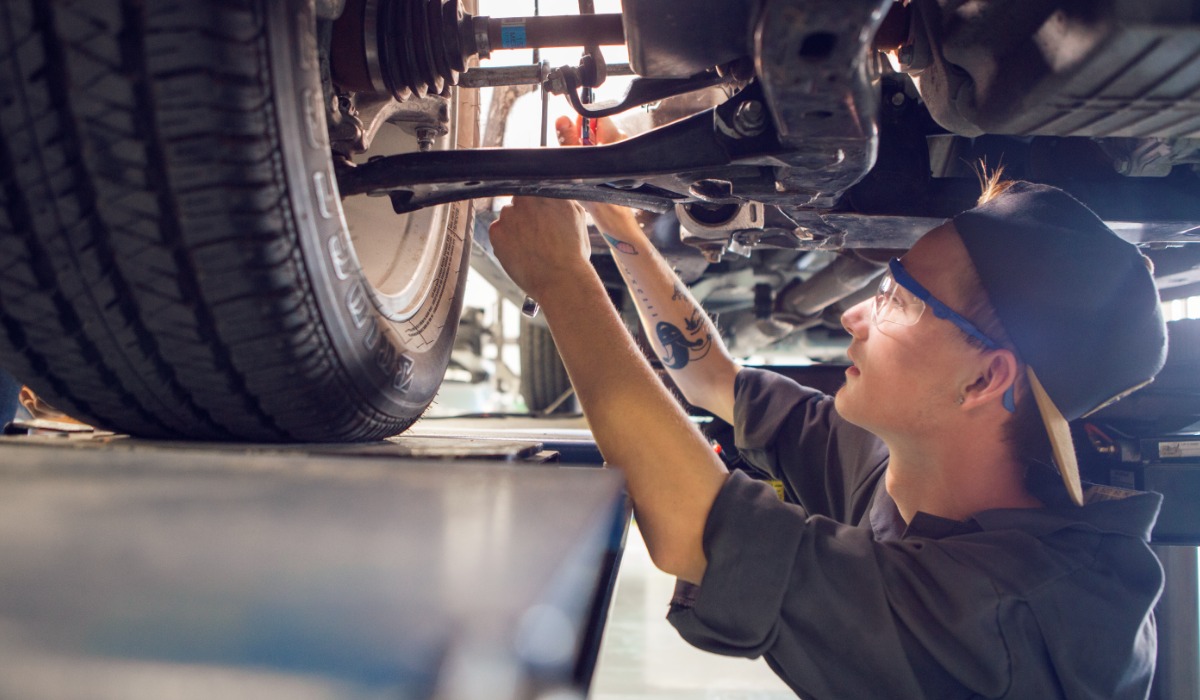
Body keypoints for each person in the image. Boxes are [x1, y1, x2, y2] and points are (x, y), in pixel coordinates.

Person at [488, 118, 1167, 697]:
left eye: (898, 301)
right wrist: (616, 223)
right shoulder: (908, 470)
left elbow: (695, 532)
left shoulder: (1012, 618)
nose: (851, 313)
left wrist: (561, 278)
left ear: (985, 380)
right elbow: (716, 380)